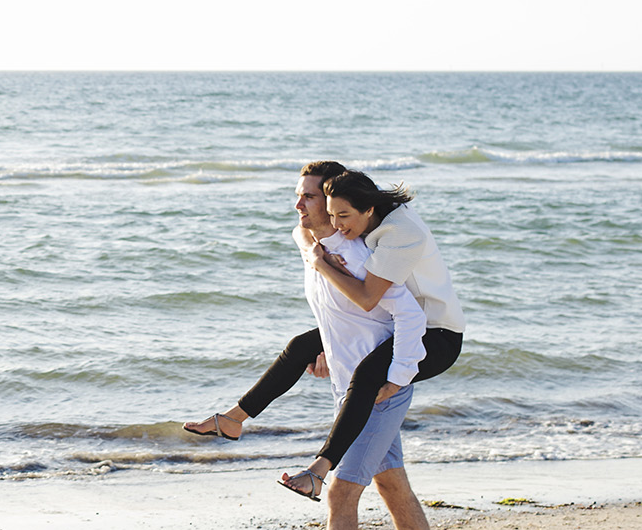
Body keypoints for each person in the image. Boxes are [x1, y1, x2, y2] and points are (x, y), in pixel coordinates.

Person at [257, 174, 457, 530]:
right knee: (392, 485)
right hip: (383, 356)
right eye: (304, 197)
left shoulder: (384, 238)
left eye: (313, 198)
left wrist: (397, 376)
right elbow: (347, 311)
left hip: (414, 352)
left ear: (354, 208)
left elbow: (393, 309)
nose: (303, 206)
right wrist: (329, 345)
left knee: (342, 492)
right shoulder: (340, 238)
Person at [184, 165, 465, 489]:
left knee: (367, 377)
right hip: (391, 326)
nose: (335, 222)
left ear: (363, 208)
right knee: (301, 347)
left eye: (339, 214)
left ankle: (319, 470)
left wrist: (321, 264)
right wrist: (315, 254)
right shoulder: (351, 221)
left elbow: (369, 298)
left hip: (434, 333)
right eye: (332, 214)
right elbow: (305, 232)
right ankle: (234, 419)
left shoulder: (398, 233)